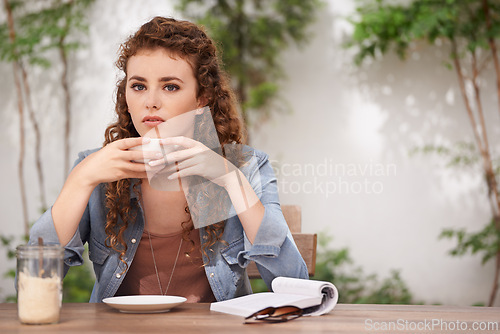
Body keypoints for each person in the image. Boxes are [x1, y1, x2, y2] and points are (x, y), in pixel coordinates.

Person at [28, 16, 308, 303]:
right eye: (138, 86)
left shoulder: (245, 166)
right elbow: (33, 283)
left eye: (170, 86)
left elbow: (295, 284)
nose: (151, 101)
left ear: (202, 97)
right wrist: (81, 180)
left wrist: (230, 179)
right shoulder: (97, 169)